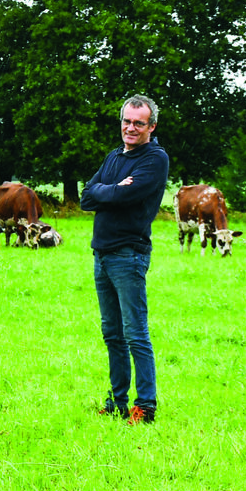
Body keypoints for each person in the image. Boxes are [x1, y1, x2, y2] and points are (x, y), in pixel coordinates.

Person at [79, 94, 169, 424]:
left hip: (128, 255)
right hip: (101, 254)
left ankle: (145, 407)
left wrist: (111, 190)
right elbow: (86, 197)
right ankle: (117, 401)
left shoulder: (155, 159)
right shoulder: (115, 156)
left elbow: (126, 195)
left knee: (135, 334)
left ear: (151, 126)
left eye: (138, 123)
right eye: (126, 121)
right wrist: (112, 188)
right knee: (111, 333)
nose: (130, 128)